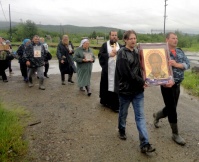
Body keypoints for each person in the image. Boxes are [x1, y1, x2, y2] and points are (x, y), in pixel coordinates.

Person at [115, 30, 155, 153]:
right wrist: (142, 81)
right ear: (125, 40)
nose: (133, 40)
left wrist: (149, 77)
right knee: (123, 113)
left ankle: (145, 144)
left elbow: (143, 69)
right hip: (125, 91)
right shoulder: (122, 54)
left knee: (140, 117)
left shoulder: (138, 52)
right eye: (130, 38)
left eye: (134, 38)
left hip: (138, 92)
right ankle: (121, 129)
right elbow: (127, 74)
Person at [153, 32, 190, 146]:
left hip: (177, 85)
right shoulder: (162, 53)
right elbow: (156, 69)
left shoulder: (179, 51)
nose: (176, 40)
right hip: (167, 86)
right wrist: (163, 81)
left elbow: (187, 64)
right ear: (167, 40)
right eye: (173, 38)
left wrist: (176, 64)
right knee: (172, 110)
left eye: (177, 38)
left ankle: (157, 115)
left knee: (171, 107)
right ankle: (175, 134)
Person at [98, 31, 122, 112]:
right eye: (112, 35)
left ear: (117, 37)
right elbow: (100, 55)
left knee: (115, 87)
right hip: (107, 71)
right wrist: (109, 55)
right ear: (110, 36)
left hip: (117, 71)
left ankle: (114, 105)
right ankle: (105, 101)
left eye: (115, 35)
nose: (114, 37)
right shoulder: (105, 45)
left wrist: (118, 54)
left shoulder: (120, 46)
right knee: (106, 86)